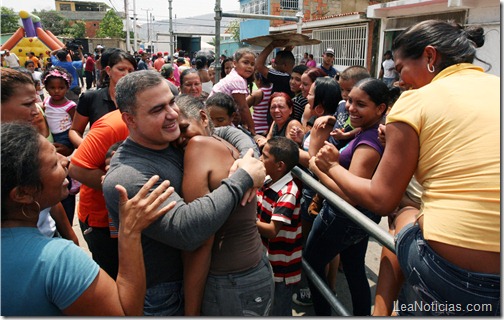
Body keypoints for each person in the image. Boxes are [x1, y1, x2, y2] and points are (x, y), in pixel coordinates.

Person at [314, 19, 500, 316]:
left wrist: (331, 166)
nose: (398, 81)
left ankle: (381, 310)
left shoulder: (415, 100)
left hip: (453, 273)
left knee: (405, 212)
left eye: (399, 69)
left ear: (429, 57)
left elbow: (381, 198)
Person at [102, 70, 267, 316]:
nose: (171, 114)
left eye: (171, 102)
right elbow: (186, 230)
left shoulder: (169, 138)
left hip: (203, 280)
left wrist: (248, 154)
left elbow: (219, 131)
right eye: (157, 110)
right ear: (130, 119)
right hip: (165, 296)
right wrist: (242, 178)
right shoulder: (128, 177)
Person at [1, 122, 177, 316]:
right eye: (53, 164)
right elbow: (126, 314)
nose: (65, 161)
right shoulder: (58, 260)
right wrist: (129, 232)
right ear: (23, 194)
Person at [175, 94, 273, 316]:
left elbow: (200, 242)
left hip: (232, 283)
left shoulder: (198, 146)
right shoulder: (223, 142)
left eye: (182, 128)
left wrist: (191, 312)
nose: (178, 138)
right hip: (251, 271)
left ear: (203, 117)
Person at [305, 78, 390, 316]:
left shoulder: (369, 144)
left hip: (342, 217)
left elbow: (350, 196)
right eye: (350, 101)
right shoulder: (370, 130)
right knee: (354, 269)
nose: (351, 108)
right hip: (359, 218)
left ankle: (323, 313)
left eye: (360, 104)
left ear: (380, 109)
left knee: (312, 263)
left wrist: (317, 168)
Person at [1, 68, 78, 244]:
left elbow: (50, 197)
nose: (36, 111)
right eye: (28, 104)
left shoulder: (31, 138)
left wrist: (70, 236)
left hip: (48, 237)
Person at [256, 136, 302, 316]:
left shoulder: (288, 193)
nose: (260, 159)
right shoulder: (268, 180)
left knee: (280, 309)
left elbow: (273, 231)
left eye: (265, 156)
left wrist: (246, 222)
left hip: (282, 266)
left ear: (280, 165)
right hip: (268, 259)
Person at [69, 48, 137, 148]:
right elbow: (75, 131)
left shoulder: (140, 100)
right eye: (121, 69)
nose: (126, 74)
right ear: (109, 70)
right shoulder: (90, 98)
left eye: (130, 71)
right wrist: (88, 149)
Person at [210, 48, 257, 135]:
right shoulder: (237, 80)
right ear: (235, 63)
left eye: (252, 64)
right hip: (217, 116)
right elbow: (243, 107)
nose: (249, 67)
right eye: (245, 63)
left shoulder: (236, 77)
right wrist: (252, 129)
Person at [41, 67, 76, 156]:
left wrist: (74, 140)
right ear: (46, 88)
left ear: (67, 88)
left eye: (61, 88)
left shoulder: (70, 106)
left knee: (59, 153)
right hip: (50, 134)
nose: (56, 91)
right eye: (52, 87)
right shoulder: (46, 101)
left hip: (64, 135)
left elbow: (75, 123)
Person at [247, 72, 273, 136]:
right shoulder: (273, 90)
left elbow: (243, 106)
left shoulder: (258, 93)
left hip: (257, 129)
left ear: (259, 80)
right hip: (269, 129)